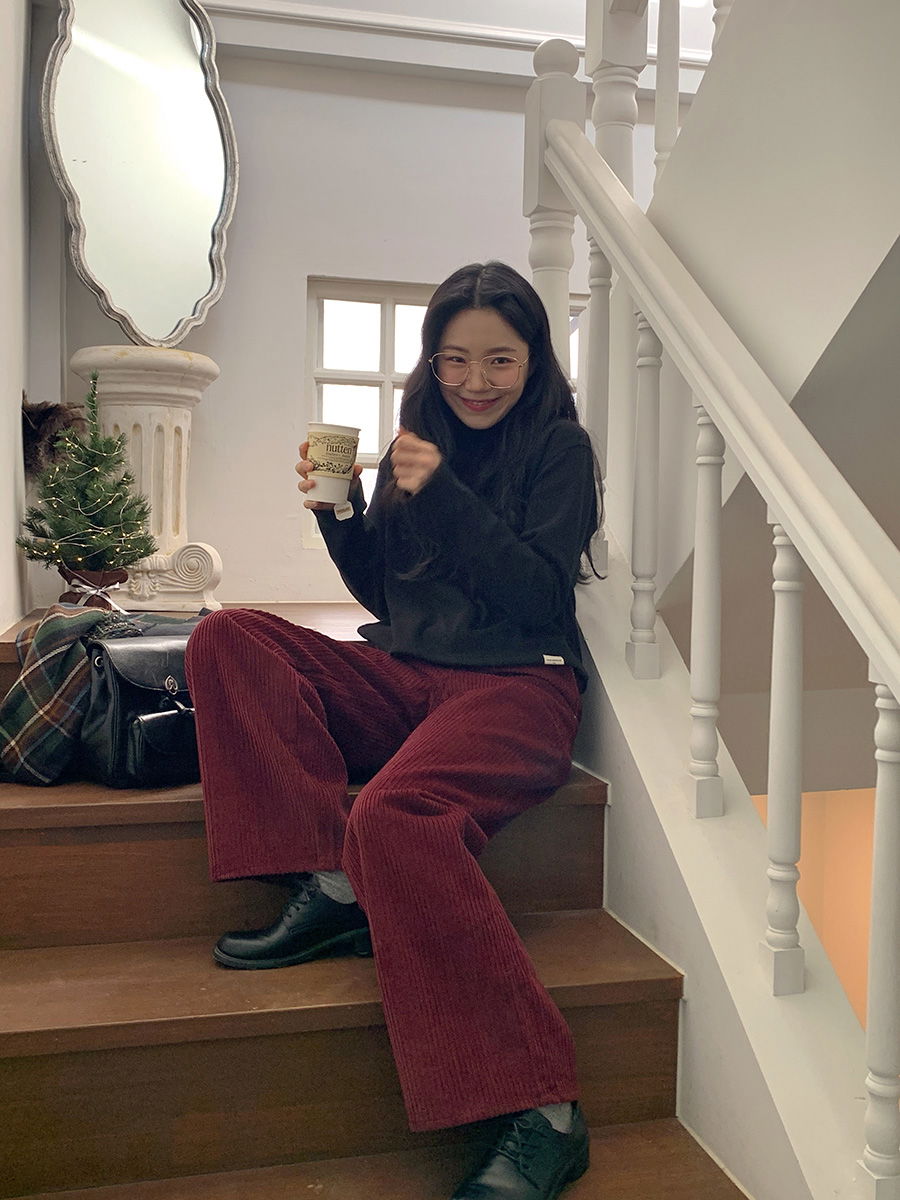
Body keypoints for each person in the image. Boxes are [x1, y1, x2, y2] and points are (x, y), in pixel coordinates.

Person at [185, 261, 603, 1200]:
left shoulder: (559, 450)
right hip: (407, 672)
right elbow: (385, 592)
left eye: (500, 359)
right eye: (455, 360)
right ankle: (334, 884)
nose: (475, 380)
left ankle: (544, 1108)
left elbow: (536, 595)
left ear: (535, 360)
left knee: (395, 817)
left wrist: (443, 493)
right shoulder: (415, 446)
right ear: (432, 360)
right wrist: (338, 512)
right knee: (227, 637)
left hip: (518, 685)